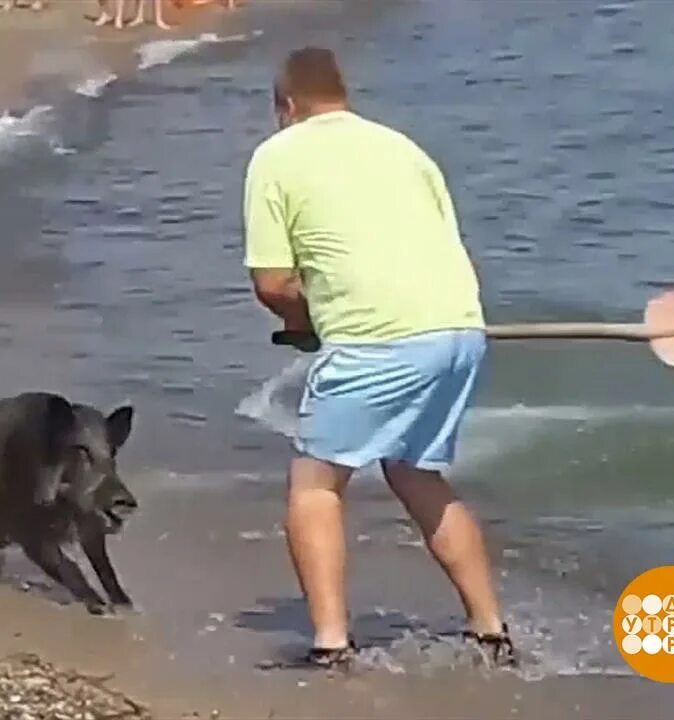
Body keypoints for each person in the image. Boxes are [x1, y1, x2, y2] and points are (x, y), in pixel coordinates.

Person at [242, 47, 514, 670]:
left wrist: (303, 322)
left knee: (315, 484)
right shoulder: (404, 148)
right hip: (459, 328)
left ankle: (331, 644)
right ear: (343, 95)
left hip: (377, 337)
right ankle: (489, 629)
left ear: (285, 106)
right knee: (415, 471)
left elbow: (273, 282)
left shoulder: (276, 156)